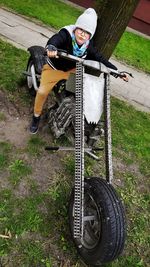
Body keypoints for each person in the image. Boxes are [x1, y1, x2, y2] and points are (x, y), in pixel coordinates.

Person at [30, 8, 127, 134]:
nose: (82, 34)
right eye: (81, 29)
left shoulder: (88, 46)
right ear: (75, 29)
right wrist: (51, 47)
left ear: (90, 36)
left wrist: (117, 72)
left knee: (78, 93)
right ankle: (36, 117)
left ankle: (63, 112)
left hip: (72, 70)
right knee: (42, 92)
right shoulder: (66, 34)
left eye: (87, 33)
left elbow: (100, 58)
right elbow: (56, 39)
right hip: (53, 68)